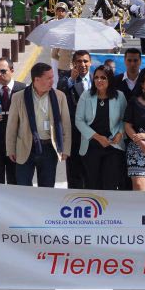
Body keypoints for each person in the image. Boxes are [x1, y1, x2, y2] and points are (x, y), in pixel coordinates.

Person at [6, 63, 71, 187]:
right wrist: (10, 148)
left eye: (53, 77)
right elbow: (12, 126)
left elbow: (66, 125)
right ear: (37, 79)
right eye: (49, 78)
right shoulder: (18, 97)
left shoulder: (59, 96)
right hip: (25, 148)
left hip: (49, 149)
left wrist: (65, 149)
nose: (53, 81)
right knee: (23, 188)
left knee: (46, 189)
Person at [75, 65, 127, 190]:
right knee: (92, 185)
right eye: (96, 77)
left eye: (103, 78)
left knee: (110, 184)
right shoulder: (86, 96)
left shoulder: (119, 96)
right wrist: (98, 137)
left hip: (113, 146)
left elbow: (125, 120)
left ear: (110, 79)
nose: (99, 80)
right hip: (91, 146)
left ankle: (111, 210)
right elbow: (79, 121)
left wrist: (120, 133)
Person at [57, 51, 92, 189]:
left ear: (90, 62)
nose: (82, 64)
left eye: (85, 61)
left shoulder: (98, 78)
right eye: (78, 61)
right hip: (74, 133)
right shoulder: (66, 79)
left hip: (94, 134)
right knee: (74, 172)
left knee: (91, 171)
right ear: (73, 63)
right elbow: (59, 94)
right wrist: (71, 80)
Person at [50, 2, 72, 88]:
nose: (60, 13)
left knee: (64, 70)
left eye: (63, 11)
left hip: (64, 49)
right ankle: (55, 87)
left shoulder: (69, 23)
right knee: (55, 70)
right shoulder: (52, 23)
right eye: (58, 10)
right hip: (55, 48)